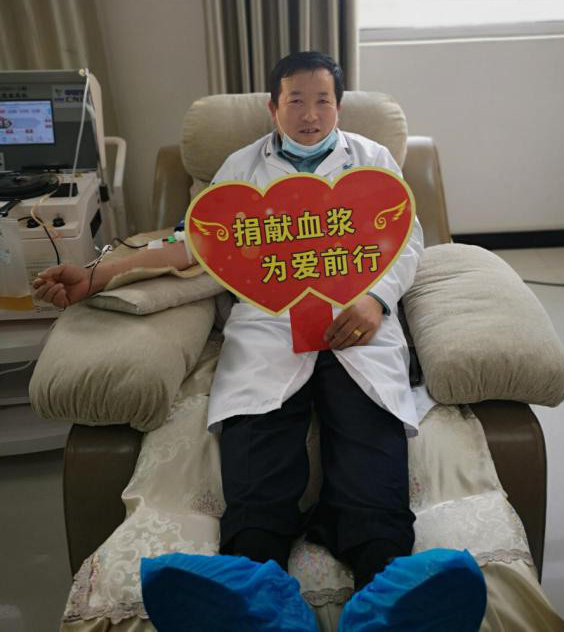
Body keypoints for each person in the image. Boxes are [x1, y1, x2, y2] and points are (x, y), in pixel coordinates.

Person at [34, 52, 486, 632]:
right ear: (274, 107)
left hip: (356, 321)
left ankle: (385, 594)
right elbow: (194, 244)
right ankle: (255, 597)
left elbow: (406, 241)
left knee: (369, 443)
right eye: (296, 100)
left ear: (339, 108)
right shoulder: (241, 167)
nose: (309, 114)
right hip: (271, 326)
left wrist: (377, 300)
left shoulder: (372, 161)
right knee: (258, 452)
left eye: (322, 101)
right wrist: (99, 275)